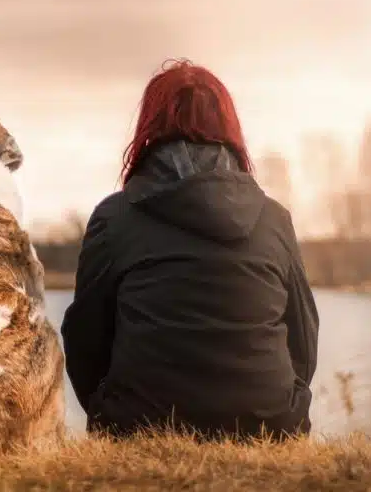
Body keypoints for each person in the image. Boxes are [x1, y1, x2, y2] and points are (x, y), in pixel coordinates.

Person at [60, 59, 319, 441]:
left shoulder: (114, 219)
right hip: (269, 426)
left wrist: (109, 409)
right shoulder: (274, 219)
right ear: (229, 127)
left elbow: (84, 341)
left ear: (149, 127)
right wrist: (280, 406)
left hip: (138, 426)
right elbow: (304, 339)